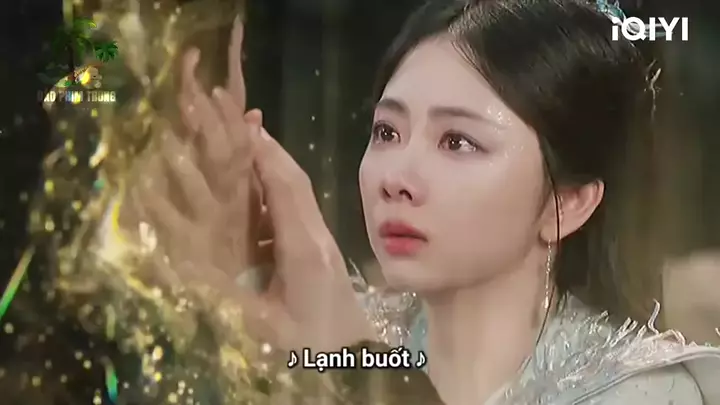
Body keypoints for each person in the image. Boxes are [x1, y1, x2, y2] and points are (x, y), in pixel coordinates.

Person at [110, 0, 720, 404]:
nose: (395, 177)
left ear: (572, 199)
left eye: (457, 141)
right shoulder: (333, 323)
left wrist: (348, 362)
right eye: (387, 132)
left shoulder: (642, 391)